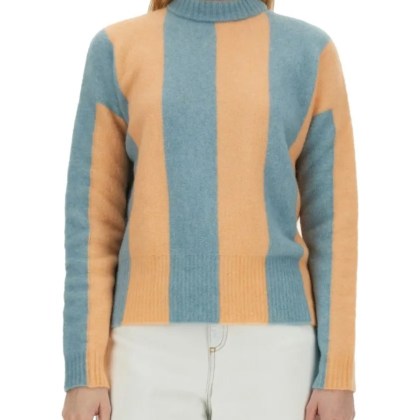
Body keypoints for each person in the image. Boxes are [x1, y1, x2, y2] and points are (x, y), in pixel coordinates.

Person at [61, 0, 358, 419]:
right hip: (144, 348)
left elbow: (334, 225)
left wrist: (338, 374)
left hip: (276, 349)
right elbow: (92, 224)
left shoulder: (310, 51)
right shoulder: (117, 48)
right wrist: (84, 368)